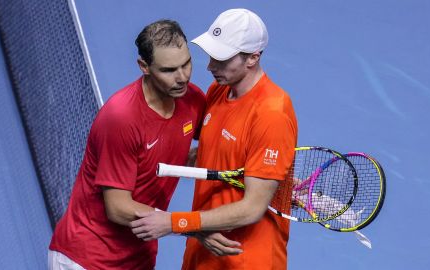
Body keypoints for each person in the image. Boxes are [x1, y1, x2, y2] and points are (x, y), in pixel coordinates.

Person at [130, 8, 298, 270]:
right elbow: (213, 151)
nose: (210, 66)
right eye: (211, 55)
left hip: (246, 260)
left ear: (252, 58)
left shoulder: (271, 113)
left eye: (221, 59)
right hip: (203, 254)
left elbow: (252, 208)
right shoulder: (218, 91)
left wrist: (175, 222)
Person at [48, 19, 206, 270]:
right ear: (144, 66)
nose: (182, 77)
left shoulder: (193, 99)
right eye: (168, 70)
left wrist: (268, 176)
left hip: (137, 259)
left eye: (186, 64)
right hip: (87, 259)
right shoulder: (121, 118)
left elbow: (211, 147)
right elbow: (118, 208)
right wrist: (190, 225)